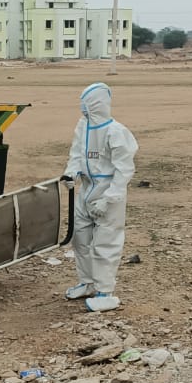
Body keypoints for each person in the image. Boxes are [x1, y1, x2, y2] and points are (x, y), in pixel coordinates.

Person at [62, 82, 138, 313]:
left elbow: (125, 169)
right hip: (85, 190)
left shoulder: (117, 131)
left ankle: (105, 293)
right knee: (80, 239)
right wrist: (70, 172)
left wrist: (109, 199)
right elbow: (76, 153)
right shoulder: (83, 126)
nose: (83, 110)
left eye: (86, 105)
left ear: (97, 105)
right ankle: (87, 283)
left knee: (106, 242)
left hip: (107, 192)